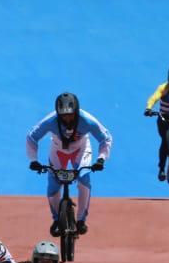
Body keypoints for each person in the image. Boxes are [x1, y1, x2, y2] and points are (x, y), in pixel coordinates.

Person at [26, 92, 113, 237]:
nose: (67, 118)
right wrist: (33, 160)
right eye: (63, 115)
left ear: (77, 111)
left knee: (84, 178)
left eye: (70, 114)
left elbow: (106, 138)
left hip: (81, 149)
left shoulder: (88, 120)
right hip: (58, 149)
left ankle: (81, 220)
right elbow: (31, 136)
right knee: (53, 184)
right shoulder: (50, 120)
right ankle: (56, 219)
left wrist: (101, 159)